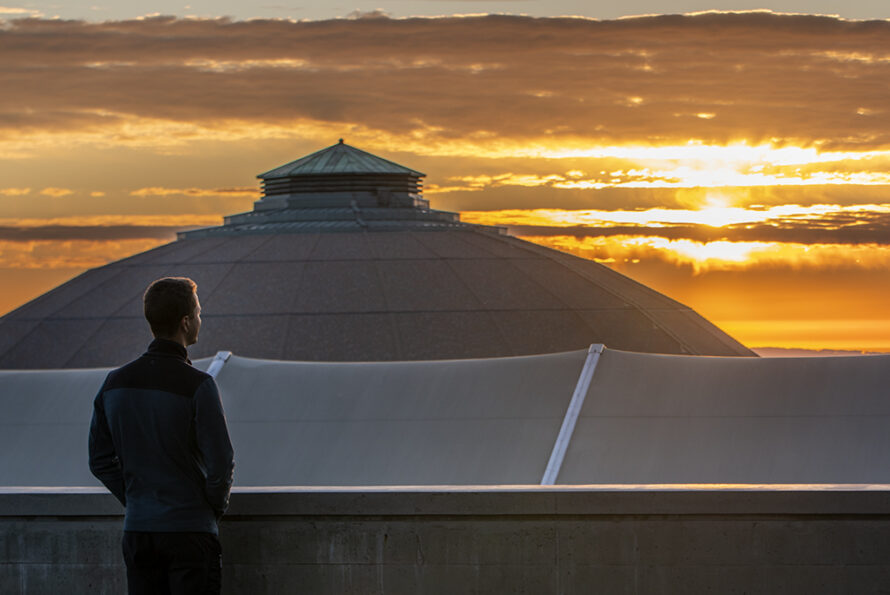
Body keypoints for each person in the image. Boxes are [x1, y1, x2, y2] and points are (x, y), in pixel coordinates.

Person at [89, 277, 235, 595]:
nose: (200, 319)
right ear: (185, 322)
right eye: (198, 313)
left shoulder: (114, 383)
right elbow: (221, 462)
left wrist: (137, 499)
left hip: (139, 531)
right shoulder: (198, 384)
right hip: (190, 533)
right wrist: (210, 507)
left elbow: (100, 461)